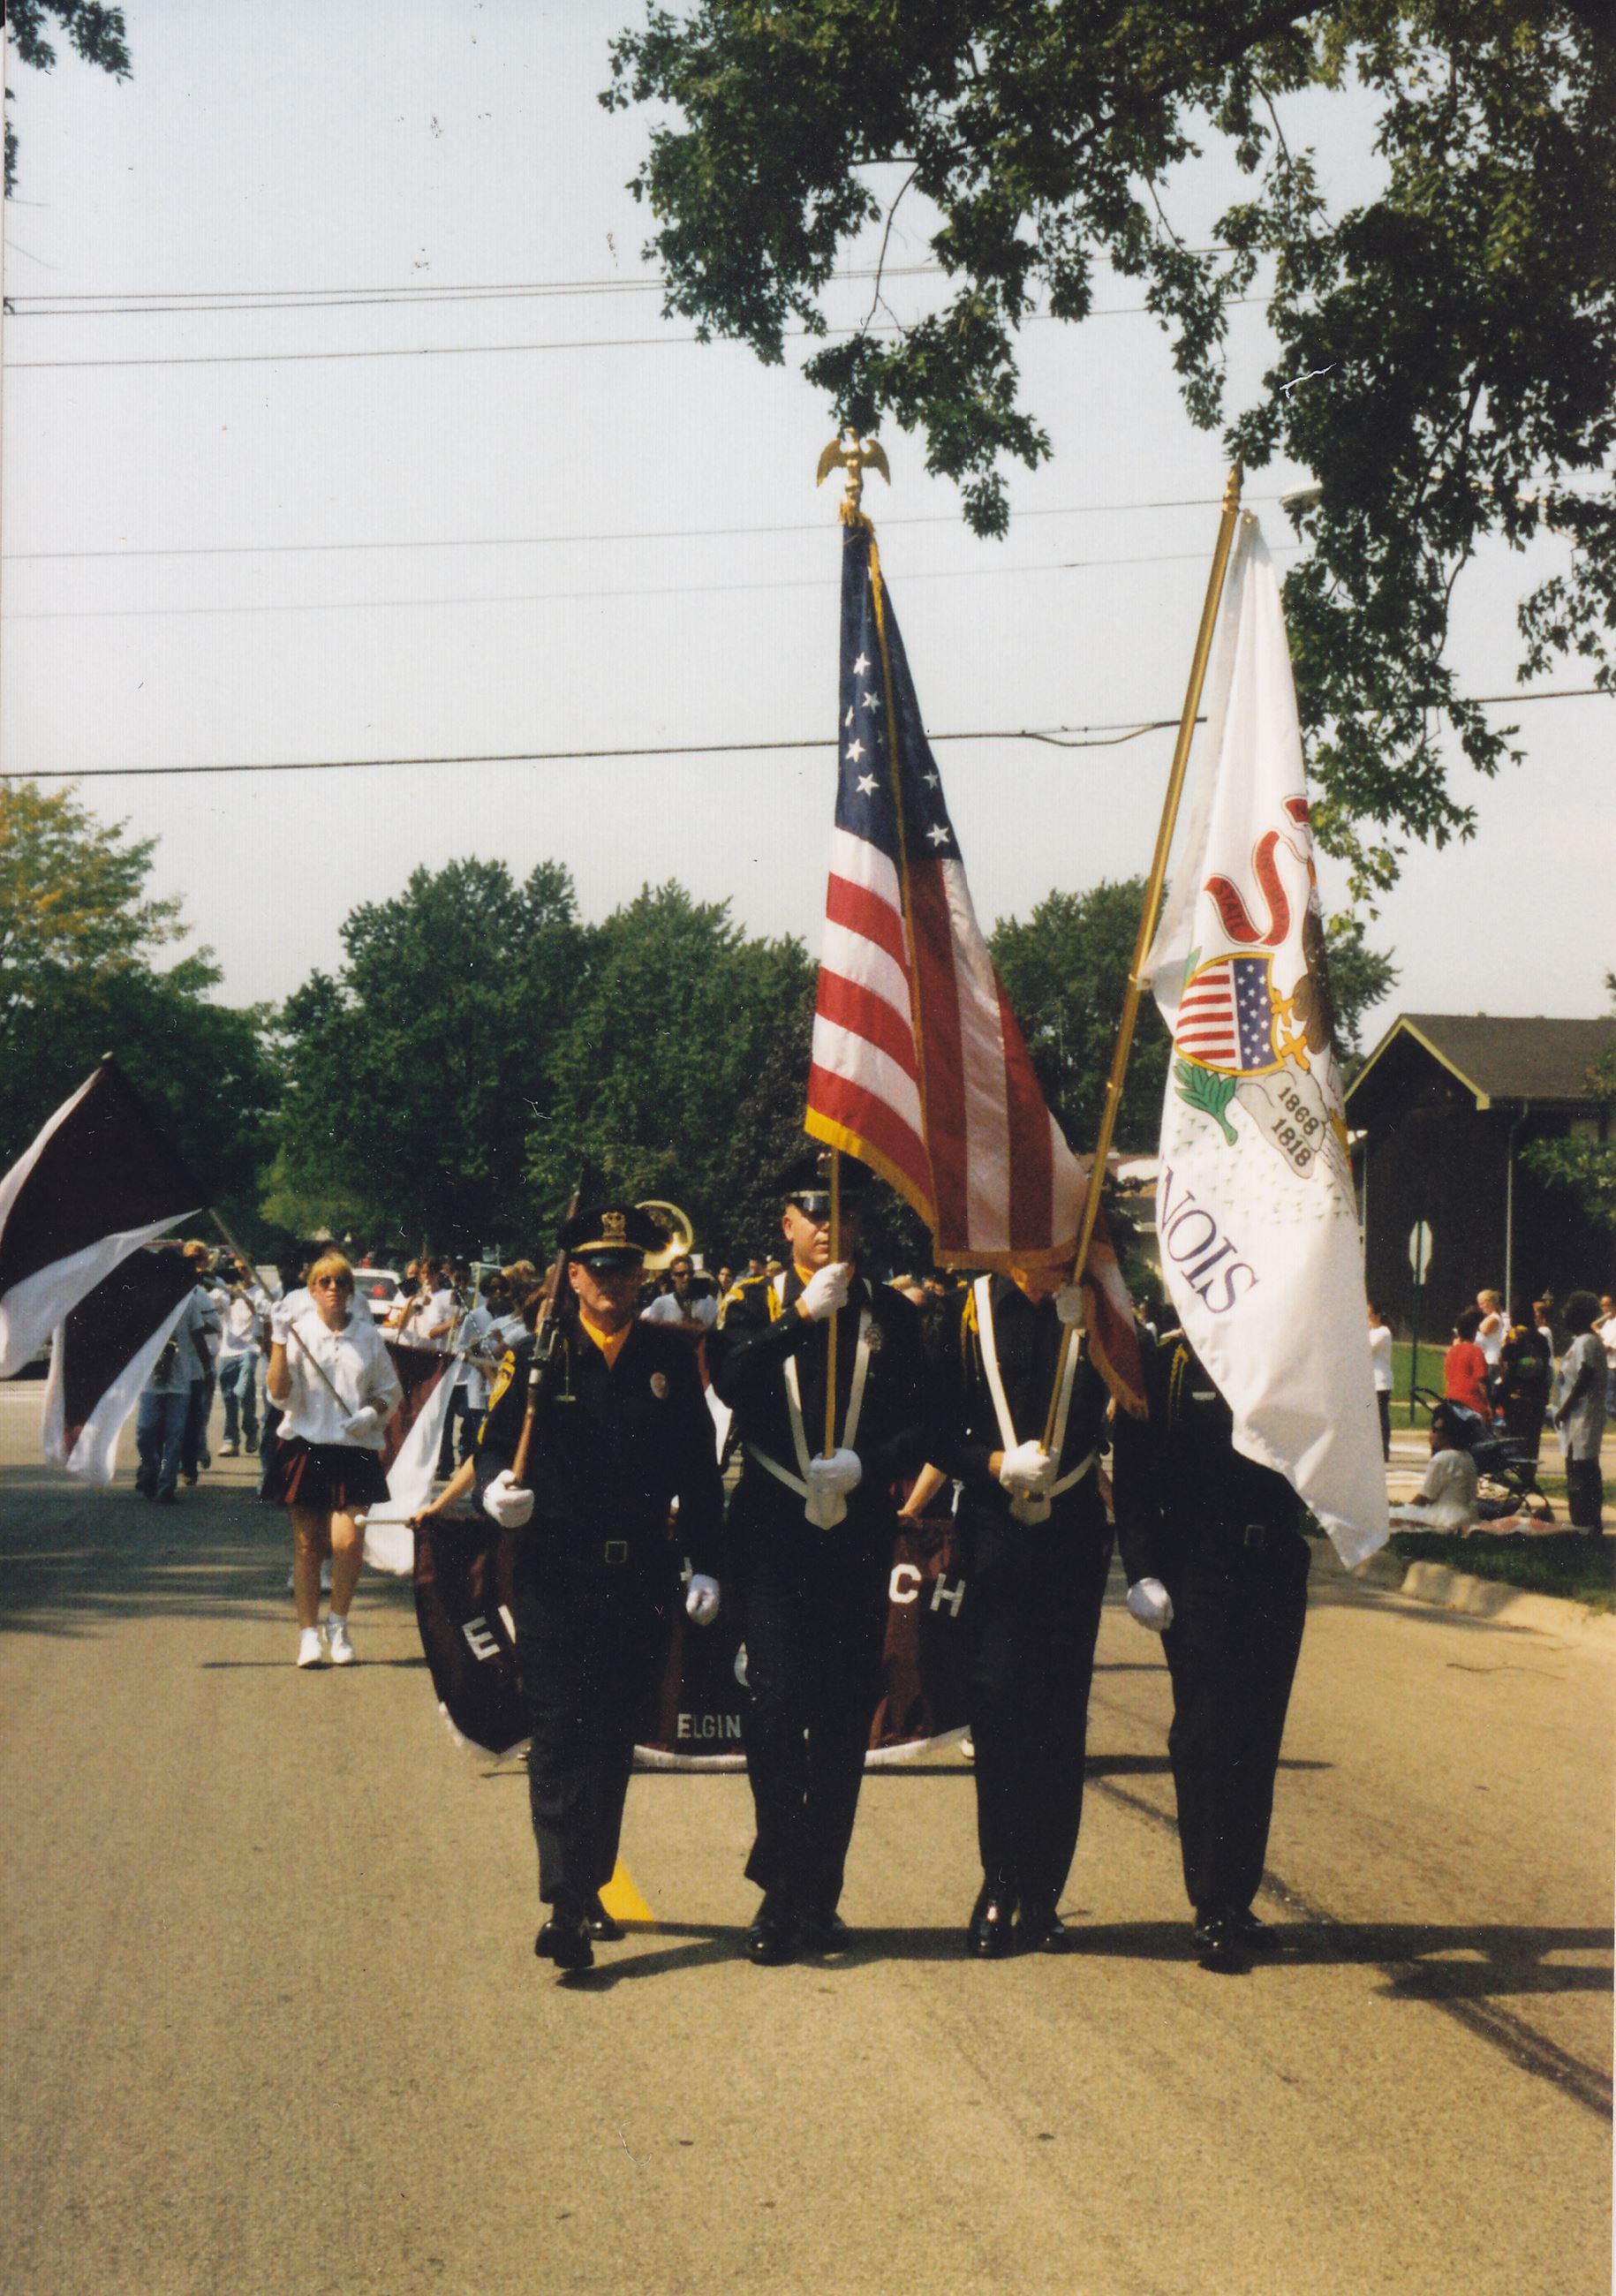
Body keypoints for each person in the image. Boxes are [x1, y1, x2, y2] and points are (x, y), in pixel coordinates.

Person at [470, 1205, 724, 1973]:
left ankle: (586, 1885)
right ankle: (564, 1902)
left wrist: (706, 1560)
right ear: (573, 1276)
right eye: (599, 1268)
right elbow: (492, 1449)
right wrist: (496, 1493)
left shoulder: (669, 1357)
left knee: (612, 1738)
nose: (613, 1281)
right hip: (556, 1573)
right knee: (558, 1735)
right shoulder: (536, 1356)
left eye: (626, 1267)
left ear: (642, 1276)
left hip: (639, 1576)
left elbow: (699, 1471)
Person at [708, 1152, 927, 1966]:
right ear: (788, 1224)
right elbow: (730, 1381)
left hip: (855, 1531)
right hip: (774, 1532)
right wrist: (799, 1318)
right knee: (773, 1711)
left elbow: (922, 1419)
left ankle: (819, 1895)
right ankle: (779, 1891)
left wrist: (873, 1463)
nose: (833, 1225)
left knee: (840, 1720)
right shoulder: (750, 1303)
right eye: (816, 1212)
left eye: (847, 1213)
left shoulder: (890, 1313)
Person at [921, 1261, 1137, 1956]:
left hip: (1070, 1535)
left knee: (1059, 1716)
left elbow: (1136, 1402)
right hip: (993, 1534)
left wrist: (1099, 1340)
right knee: (998, 1709)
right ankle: (999, 1883)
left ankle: (1043, 1896)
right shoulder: (968, 1311)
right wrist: (991, 1464)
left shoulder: (1097, 1307)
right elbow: (934, 1430)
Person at [1114, 1325, 1311, 1972]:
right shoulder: (1169, 1363)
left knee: (1258, 1731)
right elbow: (1135, 1475)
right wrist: (1141, 1568)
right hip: (1200, 1567)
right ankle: (1211, 1902)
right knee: (1206, 1731)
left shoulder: (1287, 1349)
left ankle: (1238, 1893)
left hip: (1276, 1562)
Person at [263, 1250, 403, 1668]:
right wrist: (278, 1340)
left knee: (348, 1543)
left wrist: (372, 1413)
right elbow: (279, 1394)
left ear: (351, 1290)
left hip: (353, 1449)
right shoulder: (298, 1332)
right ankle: (308, 1634)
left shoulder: (366, 1336)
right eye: (324, 1282)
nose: (333, 1289)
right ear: (311, 1290)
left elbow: (389, 1390)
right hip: (306, 1446)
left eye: (341, 1282)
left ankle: (338, 1624)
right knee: (309, 1547)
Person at [134, 1260, 217, 1503]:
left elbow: (197, 1336)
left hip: (180, 1379)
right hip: (151, 1379)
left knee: (175, 1433)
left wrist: (207, 1369)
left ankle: (167, 1486)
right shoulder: (146, 1301)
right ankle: (150, 1467)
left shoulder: (188, 1302)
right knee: (145, 1430)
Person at [1554, 1292, 1608, 1536]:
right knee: (1576, 1468)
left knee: (1583, 1470)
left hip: (1583, 1417)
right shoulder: (1580, 1341)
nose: (1565, 1315)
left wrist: (1565, 1408)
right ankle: (1581, 1523)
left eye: (1569, 1311)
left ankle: (1588, 1523)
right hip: (1574, 1420)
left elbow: (1585, 1375)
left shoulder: (1587, 1341)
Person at [215, 1259, 269, 1457]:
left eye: (244, 1268)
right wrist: (227, 1294)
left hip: (250, 1347)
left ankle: (250, 1427)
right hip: (228, 1349)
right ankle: (231, 1440)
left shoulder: (260, 1292)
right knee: (230, 1397)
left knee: (244, 1390)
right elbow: (216, 1310)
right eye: (237, 1269)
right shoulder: (226, 1291)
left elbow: (262, 1315)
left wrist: (245, 1298)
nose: (241, 1272)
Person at [1497, 1297, 1552, 1458]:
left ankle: (1517, 1466)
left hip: (1516, 1394)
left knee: (1515, 1437)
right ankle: (1530, 1470)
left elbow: (1506, 1365)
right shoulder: (1540, 1338)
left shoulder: (1513, 1336)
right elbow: (1546, 1363)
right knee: (1532, 1439)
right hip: (1537, 1394)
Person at [1443, 1308, 1491, 1420]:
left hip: (1451, 1400)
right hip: (1471, 1403)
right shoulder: (1476, 1351)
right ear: (1474, 1332)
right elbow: (1481, 1382)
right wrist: (1489, 1405)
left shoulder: (1451, 1351)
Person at [1368, 1303, 1394, 1460]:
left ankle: (1384, 1451)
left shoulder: (1383, 1332)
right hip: (1370, 1381)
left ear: (1377, 1316)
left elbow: (1367, 1349)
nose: (1368, 1319)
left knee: (1381, 1418)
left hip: (1381, 1381)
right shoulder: (1370, 1332)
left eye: (1370, 1315)